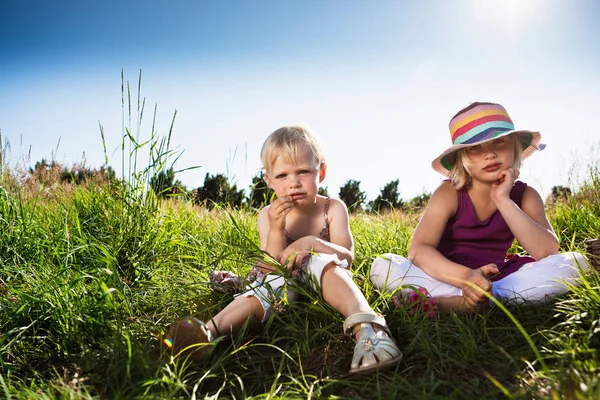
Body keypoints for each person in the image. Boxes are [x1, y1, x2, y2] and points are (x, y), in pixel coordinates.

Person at [166, 124, 402, 373]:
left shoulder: (332, 208)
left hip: (327, 280)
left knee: (320, 262)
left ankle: (367, 328)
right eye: (282, 176)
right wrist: (277, 229)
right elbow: (269, 265)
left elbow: (347, 257)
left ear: (320, 171)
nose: (294, 183)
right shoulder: (267, 215)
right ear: (268, 180)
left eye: (303, 171)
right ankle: (206, 333)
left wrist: (313, 244)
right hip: (281, 279)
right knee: (267, 288)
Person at [370, 102, 590, 315]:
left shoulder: (526, 196)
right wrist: (467, 277)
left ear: (515, 146)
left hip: (499, 279)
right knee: (384, 265)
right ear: (462, 159)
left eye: (499, 142)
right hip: (446, 275)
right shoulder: (449, 193)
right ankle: (469, 300)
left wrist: (503, 200)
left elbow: (546, 251)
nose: (490, 154)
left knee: (576, 264)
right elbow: (419, 250)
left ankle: (466, 301)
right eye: (475, 148)